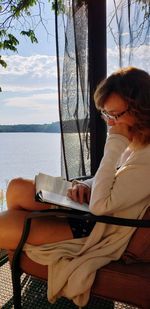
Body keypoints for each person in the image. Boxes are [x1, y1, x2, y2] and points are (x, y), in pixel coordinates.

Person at [0, 66, 150, 306]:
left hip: (97, 229)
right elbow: (111, 178)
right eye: (105, 114)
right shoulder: (135, 142)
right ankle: (32, 222)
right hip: (88, 209)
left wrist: (114, 141)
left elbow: (101, 206)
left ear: (141, 110)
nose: (110, 123)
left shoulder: (145, 155)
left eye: (116, 115)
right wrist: (82, 184)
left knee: (2, 226)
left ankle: (23, 231)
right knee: (16, 187)